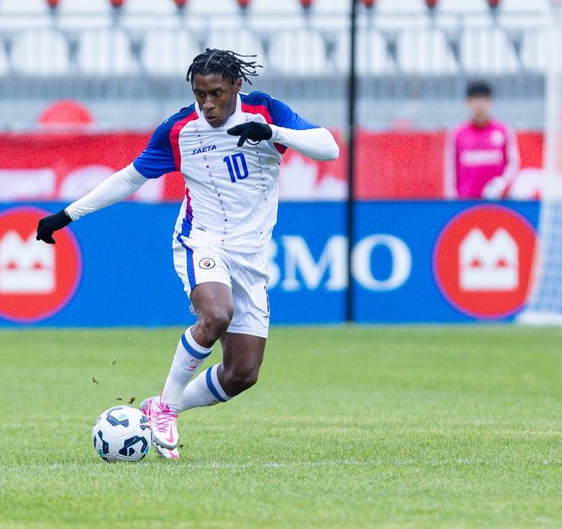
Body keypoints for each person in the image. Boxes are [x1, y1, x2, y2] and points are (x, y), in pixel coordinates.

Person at [36, 49, 339, 460]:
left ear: (236, 86)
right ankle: (165, 407)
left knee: (242, 374)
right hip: (201, 240)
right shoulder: (179, 130)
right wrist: (67, 215)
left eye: (216, 93)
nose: (208, 104)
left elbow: (329, 148)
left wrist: (273, 133)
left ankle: (163, 405)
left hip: (251, 256)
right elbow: (130, 177)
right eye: (200, 95)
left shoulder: (264, 111)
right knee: (215, 314)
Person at [444, 80, 520, 200]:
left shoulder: (504, 131)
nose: (479, 104)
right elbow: (450, 171)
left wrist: (500, 184)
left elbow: (513, 164)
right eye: (475, 99)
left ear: (490, 102)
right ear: (468, 103)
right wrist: (452, 200)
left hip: (498, 203)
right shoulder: (457, 134)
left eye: (484, 99)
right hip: (466, 203)